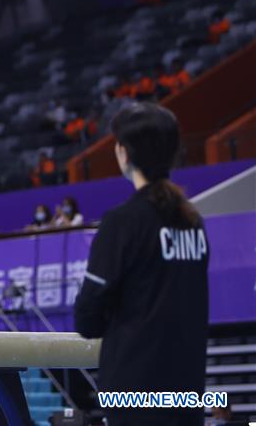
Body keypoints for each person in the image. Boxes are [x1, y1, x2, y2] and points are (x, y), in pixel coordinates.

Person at [74, 102, 209, 426]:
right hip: (186, 390)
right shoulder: (193, 222)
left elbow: (87, 319)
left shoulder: (122, 222)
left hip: (135, 391)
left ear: (123, 152)